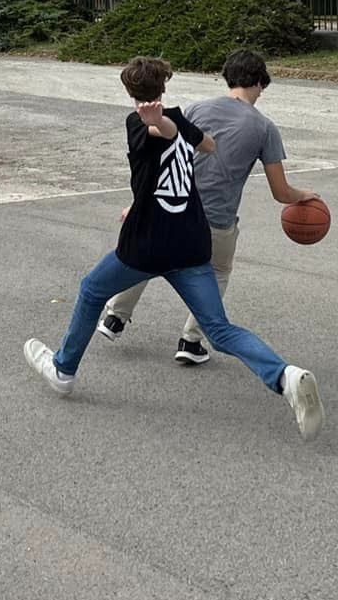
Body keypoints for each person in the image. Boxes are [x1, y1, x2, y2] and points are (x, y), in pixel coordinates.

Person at [24, 54, 323, 439]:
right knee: (219, 329)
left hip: (149, 243)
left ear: (129, 92)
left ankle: (64, 371)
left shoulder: (141, 123)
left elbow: (158, 133)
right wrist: (172, 127)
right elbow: (210, 145)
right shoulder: (184, 119)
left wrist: (158, 123)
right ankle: (286, 376)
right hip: (191, 243)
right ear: (163, 87)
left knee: (91, 289)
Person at [97, 48, 318, 364]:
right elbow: (281, 192)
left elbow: (163, 161)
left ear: (228, 77)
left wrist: (138, 203)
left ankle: (115, 316)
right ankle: (191, 341)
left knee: (149, 257)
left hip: (172, 208)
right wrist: (306, 195)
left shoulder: (196, 109)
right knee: (218, 270)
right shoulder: (264, 128)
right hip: (214, 220)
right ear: (260, 82)